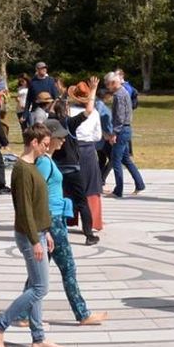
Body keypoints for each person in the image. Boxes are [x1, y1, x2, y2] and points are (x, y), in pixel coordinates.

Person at [0, 123, 61, 347]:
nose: (46, 150)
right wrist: (34, 239)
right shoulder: (21, 169)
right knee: (40, 288)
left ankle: (38, 338)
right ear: (34, 143)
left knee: (36, 286)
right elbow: (24, 209)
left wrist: (46, 231)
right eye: (44, 145)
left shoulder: (32, 167)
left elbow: (38, 205)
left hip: (39, 231)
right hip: (29, 235)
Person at [37, 118, 103, 327]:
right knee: (68, 268)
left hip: (55, 219)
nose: (64, 141)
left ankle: (22, 315)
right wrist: (45, 227)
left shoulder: (48, 160)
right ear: (49, 138)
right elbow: (37, 195)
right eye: (60, 137)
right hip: (52, 221)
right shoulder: (44, 163)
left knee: (39, 272)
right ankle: (82, 313)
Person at [64, 80, 106, 244]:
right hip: (88, 151)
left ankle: (69, 219)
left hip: (72, 151)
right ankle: (93, 223)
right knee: (91, 187)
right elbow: (98, 136)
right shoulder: (93, 113)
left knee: (69, 186)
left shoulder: (68, 112)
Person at [105, 73, 144, 197]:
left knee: (116, 160)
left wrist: (114, 133)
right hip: (126, 129)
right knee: (126, 159)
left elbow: (120, 117)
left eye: (107, 84)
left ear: (113, 83)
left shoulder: (118, 95)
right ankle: (140, 184)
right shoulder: (124, 92)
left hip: (121, 130)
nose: (107, 87)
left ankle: (118, 190)